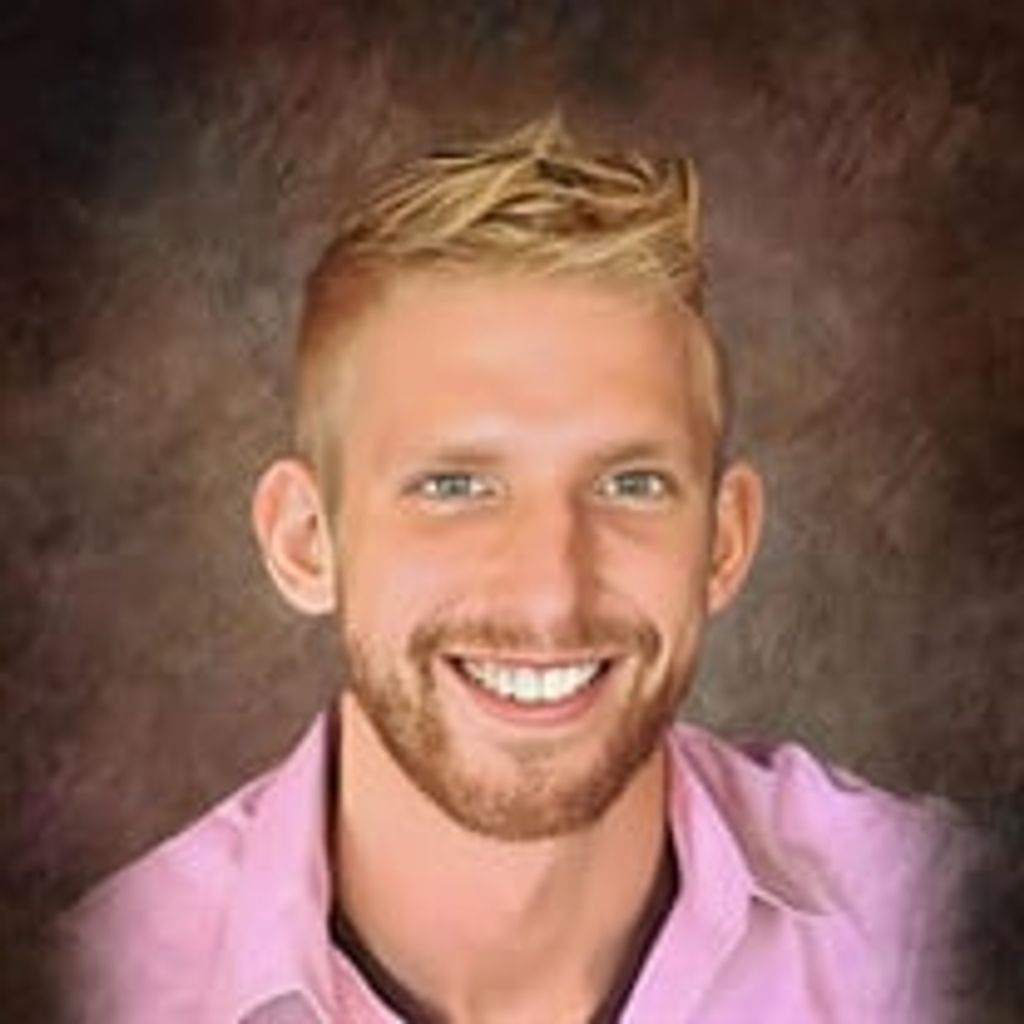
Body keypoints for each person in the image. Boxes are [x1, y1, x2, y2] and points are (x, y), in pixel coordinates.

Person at [59, 116, 969, 1024]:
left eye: (631, 484)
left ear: (723, 543)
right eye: (454, 486)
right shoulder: (92, 990)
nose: (549, 597)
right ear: (306, 542)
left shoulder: (941, 938)